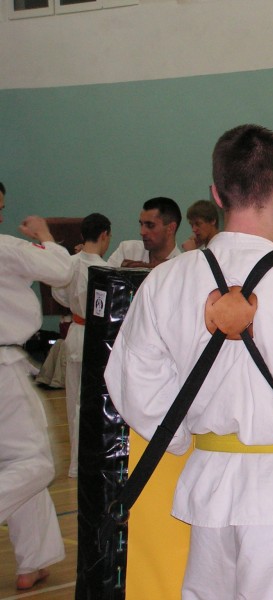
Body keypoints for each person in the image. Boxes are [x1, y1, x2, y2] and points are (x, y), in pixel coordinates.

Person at [105, 124, 273, 600]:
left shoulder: (165, 282)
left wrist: (183, 436)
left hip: (209, 489)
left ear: (216, 193)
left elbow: (133, 383)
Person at [0, 182, 68, 591]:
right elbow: (60, 271)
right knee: (35, 463)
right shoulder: (6, 249)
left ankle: (34, 560)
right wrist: (45, 236)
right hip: (2, 369)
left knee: (16, 459)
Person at [51, 213, 112, 478]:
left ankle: (76, 464)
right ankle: (87, 461)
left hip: (76, 332)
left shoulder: (70, 263)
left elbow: (59, 293)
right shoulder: (106, 269)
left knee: (73, 403)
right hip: (96, 337)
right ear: (104, 235)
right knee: (92, 403)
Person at [107, 196, 181, 268]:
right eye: (141, 224)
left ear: (171, 228)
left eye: (150, 225)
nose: (142, 232)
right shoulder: (127, 251)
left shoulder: (181, 266)